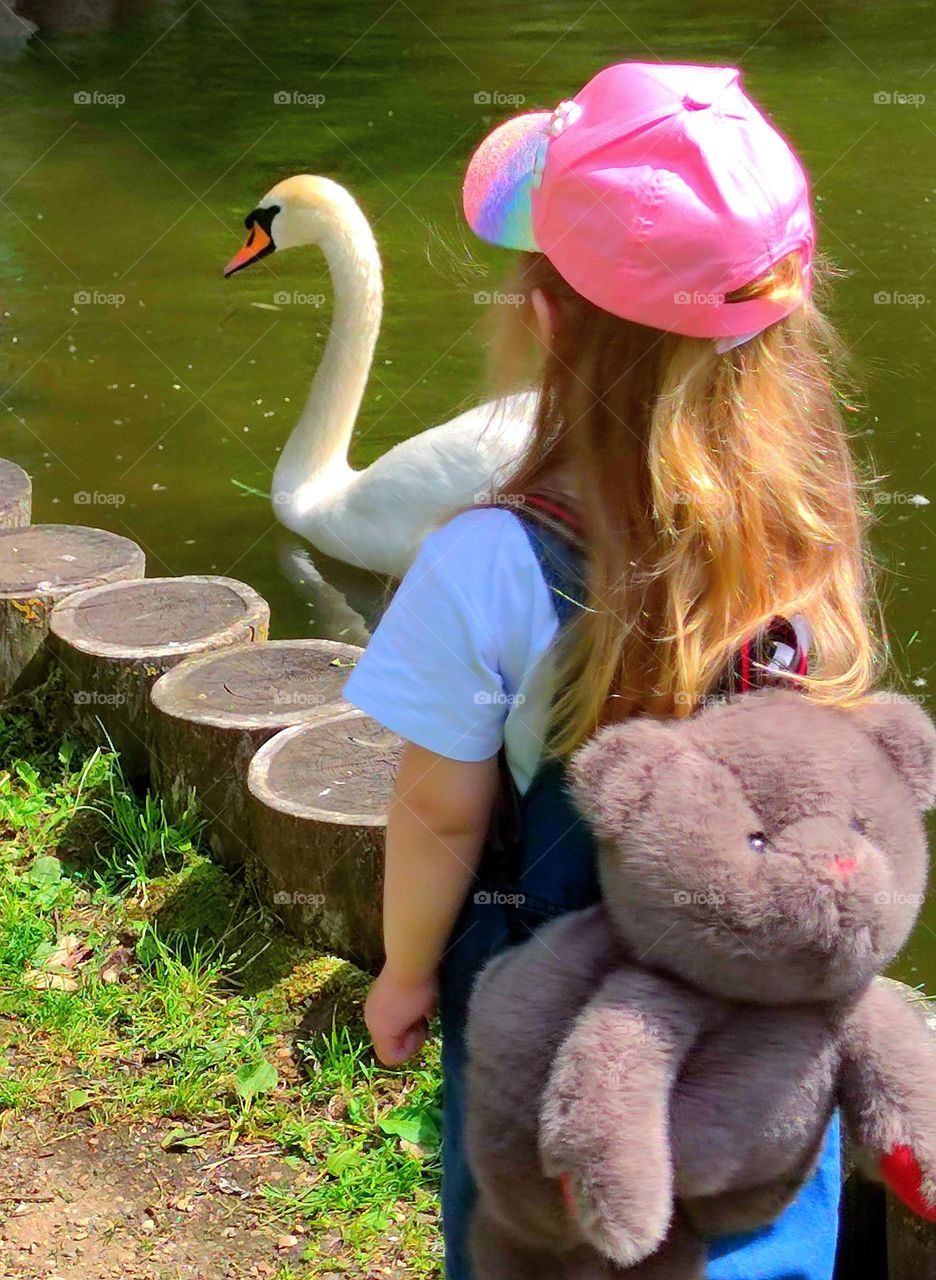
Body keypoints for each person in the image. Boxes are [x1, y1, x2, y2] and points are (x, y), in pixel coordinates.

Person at [344, 61, 875, 1280]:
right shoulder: (814, 534)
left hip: (560, 1032)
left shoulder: (490, 559)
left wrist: (407, 968)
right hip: (767, 1030)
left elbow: (435, 809)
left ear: (545, 322)